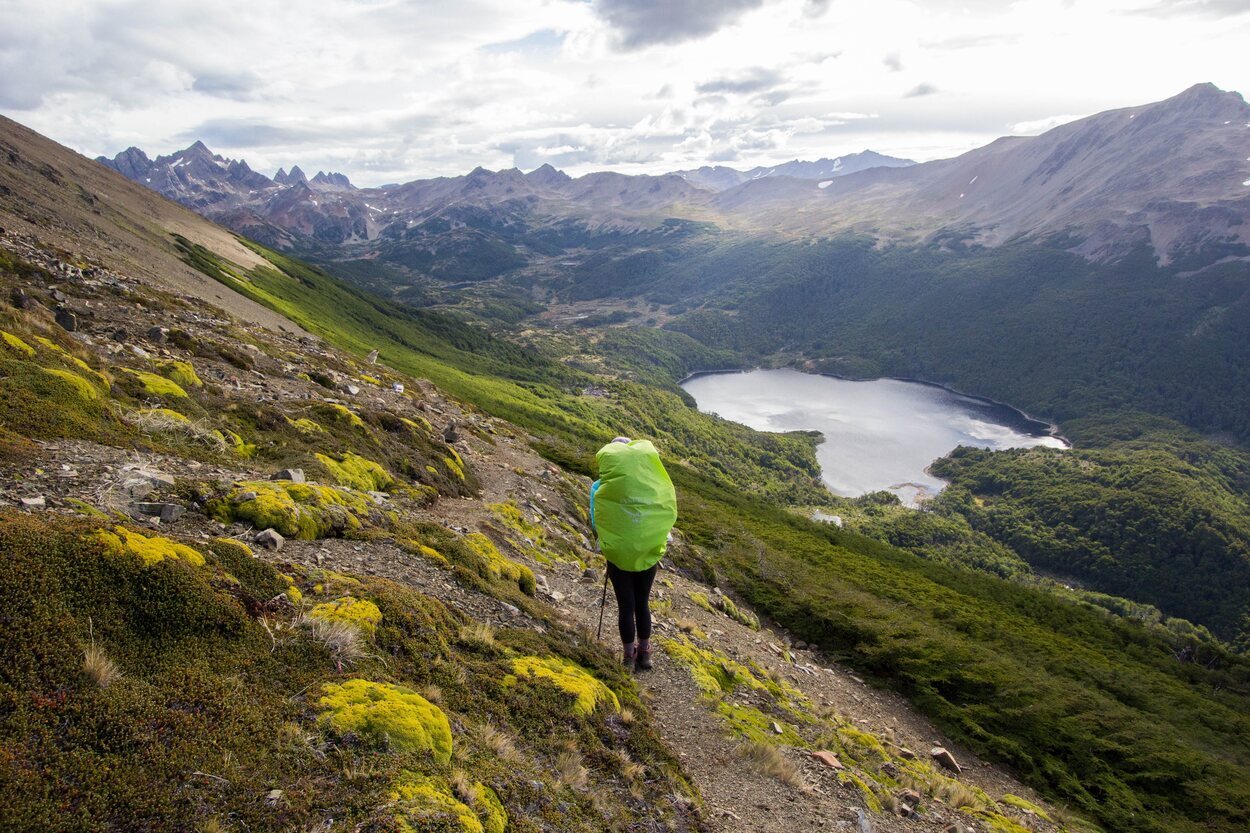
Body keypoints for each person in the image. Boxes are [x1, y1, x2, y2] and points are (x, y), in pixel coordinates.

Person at [589, 436, 678, 671]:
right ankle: (645, 654)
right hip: (648, 553)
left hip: (618, 555)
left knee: (625, 606)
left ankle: (628, 657)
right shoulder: (653, 487)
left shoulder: (599, 487)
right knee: (643, 604)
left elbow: (596, 520)